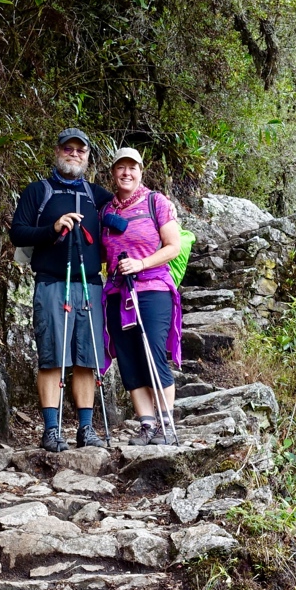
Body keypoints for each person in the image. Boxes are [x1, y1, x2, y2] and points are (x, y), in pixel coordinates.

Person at [9, 128, 113, 451]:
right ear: (57, 151)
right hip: (52, 283)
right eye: (68, 148)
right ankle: (52, 430)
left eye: (80, 150)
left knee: (86, 359)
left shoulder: (99, 197)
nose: (74, 154)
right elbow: (18, 233)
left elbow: (125, 217)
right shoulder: (39, 191)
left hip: (91, 285)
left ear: (87, 157)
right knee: (53, 358)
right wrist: (52, 229)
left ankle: (86, 429)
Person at [99, 148, 183, 445]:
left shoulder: (155, 202)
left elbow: (173, 245)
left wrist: (142, 263)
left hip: (152, 287)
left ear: (141, 171)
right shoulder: (106, 210)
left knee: (153, 352)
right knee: (128, 356)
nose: (126, 173)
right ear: (112, 173)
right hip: (117, 291)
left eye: (132, 168)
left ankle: (166, 424)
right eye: (120, 168)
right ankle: (146, 425)